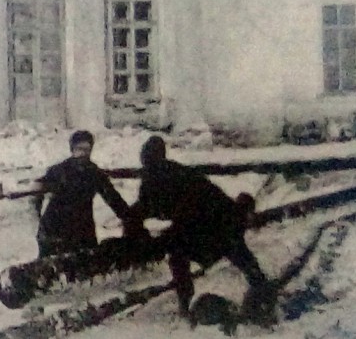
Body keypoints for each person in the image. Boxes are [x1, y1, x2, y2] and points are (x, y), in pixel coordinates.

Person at [128, 135, 273, 321]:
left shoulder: (163, 176)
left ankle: (186, 303)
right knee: (235, 252)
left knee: (186, 252)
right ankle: (260, 288)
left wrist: (139, 236)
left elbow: (147, 209)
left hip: (208, 220)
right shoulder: (167, 173)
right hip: (214, 220)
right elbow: (146, 208)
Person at [33, 129, 134, 258]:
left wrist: (130, 218)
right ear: (72, 149)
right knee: (49, 268)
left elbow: (113, 198)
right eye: (79, 149)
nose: (83, 154)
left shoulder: (94, 173)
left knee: (86, 265)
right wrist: (39, 219)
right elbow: (37, 191)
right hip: (55, 228)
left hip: (82, 228)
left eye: (87, 149)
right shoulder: (58, 171)